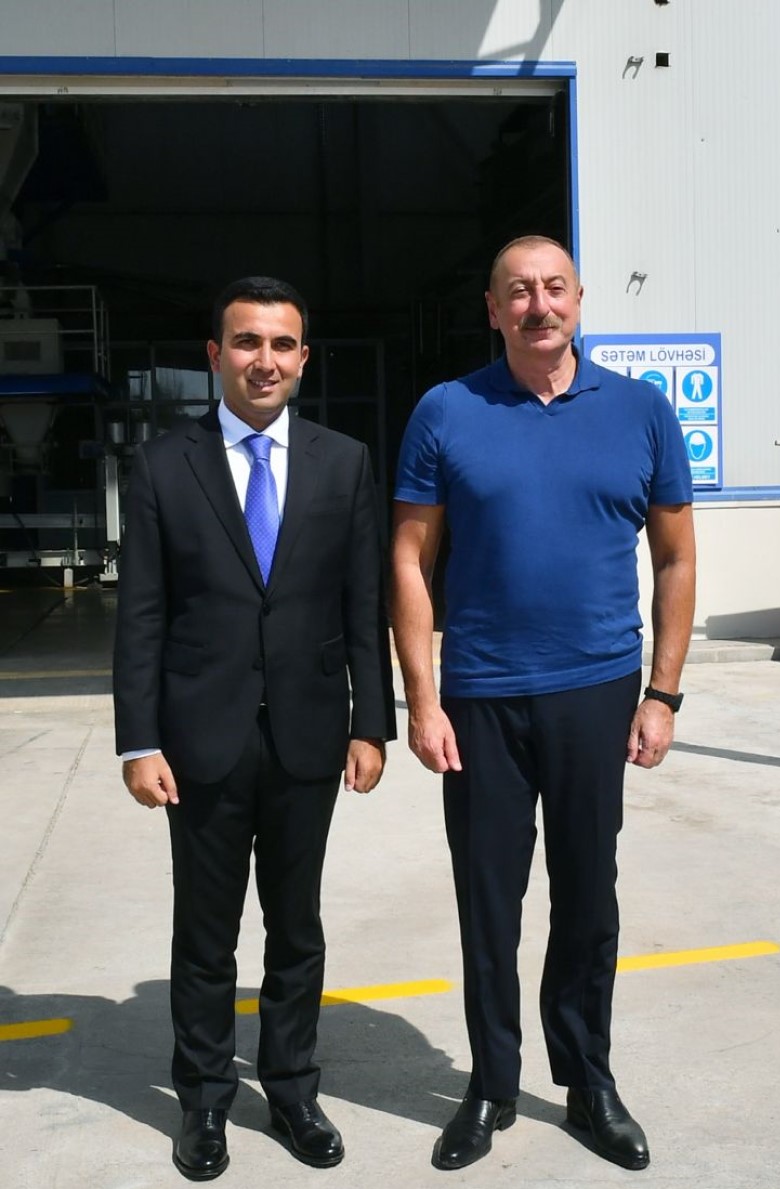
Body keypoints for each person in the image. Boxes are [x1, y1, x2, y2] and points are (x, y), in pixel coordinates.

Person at [391, 236, 695, 1173]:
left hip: (596, 689)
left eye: (554, 287)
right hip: (480, 695)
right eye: (518, 292)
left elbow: (676, 558)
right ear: (493, 309)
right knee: (489, 899)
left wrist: (662, 693)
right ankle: (490, 1083)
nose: (539, 305)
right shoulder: (447, 409)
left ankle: (588, 1080)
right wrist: (422, 697)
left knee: (588, 895)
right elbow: (409, 557)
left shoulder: (641, 411)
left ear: (579, 298)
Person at [113, 276, 396, 1180]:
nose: (263, 360)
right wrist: (138, 740)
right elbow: (142, 615)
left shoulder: (344, 462)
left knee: (296, 925)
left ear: (303, 358)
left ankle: (293, 1088)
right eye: (245, 342)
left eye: (280, 344)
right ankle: (203, 1100)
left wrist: (372, 722)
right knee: (205, 932)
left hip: (310, 735)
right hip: (200, 741)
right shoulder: (164, 465)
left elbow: (364, 603)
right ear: (214, 355)